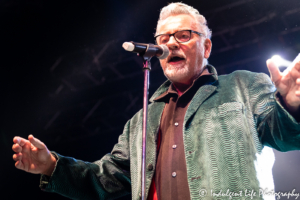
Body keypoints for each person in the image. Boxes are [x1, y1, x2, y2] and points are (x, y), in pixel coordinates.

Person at [12, 2, 300, 200]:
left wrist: (290, 105)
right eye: (164, 38)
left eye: (184, 35)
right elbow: (105, 179)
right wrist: (52, 166)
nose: (172, 43)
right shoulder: (141, 122)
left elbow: (283, 134)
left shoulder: (243, 86)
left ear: (207, 46)